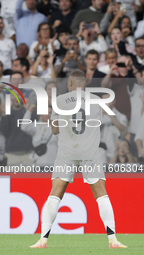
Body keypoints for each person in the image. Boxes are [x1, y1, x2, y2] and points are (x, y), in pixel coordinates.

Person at [30, 70, 127, 249]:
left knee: (55, 194)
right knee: (101, 194)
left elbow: (55, 131)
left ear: (70, 84)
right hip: (90, 153)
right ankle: (113, 240)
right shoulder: (97, 102)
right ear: (85, 84)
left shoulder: (59, 101)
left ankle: (42, 240)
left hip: (67, 153)